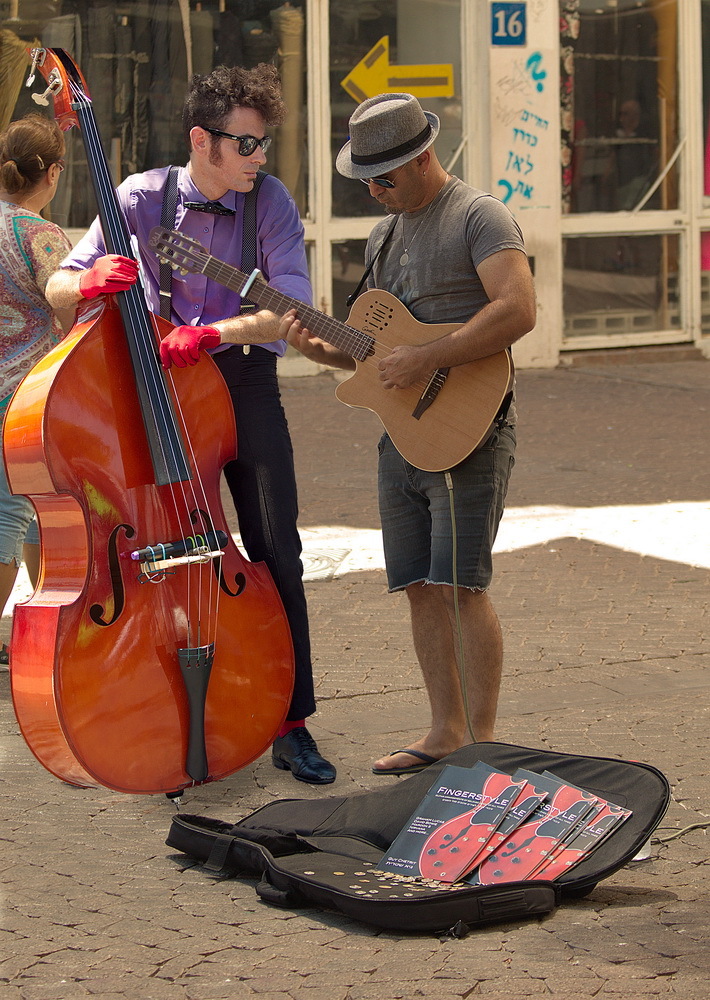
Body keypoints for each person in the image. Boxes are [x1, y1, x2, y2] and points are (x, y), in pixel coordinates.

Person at [44, 64, 336, 785]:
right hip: (159, 389)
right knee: (158, 549)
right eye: (245, 145)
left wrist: (214, 333)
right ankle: (165, 706)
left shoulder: (269, 202)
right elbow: (58, 285)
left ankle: (292, 721)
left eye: (263, 144)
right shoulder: (141, 196)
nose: (259, 158)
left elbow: (289, 310)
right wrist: (86, 283)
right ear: (202, 141)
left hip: (238, 381)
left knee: (275, 547)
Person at [281, 93, 536, 776]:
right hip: (403, 438)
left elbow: (518, 308)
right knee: (421, 586)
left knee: (461, 585)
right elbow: (375, 357)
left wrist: (430, 356)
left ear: (423, 158)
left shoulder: (478, 216)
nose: (373, 190)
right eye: (364, 180)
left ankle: (483, 742)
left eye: (384, 178)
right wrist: (320, 349)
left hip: (472, 430)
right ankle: (444, 731)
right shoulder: (382, 238)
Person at [0, 114, 74, 670]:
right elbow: (66, 304)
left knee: (27, 511)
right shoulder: (40, 235)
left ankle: (40, 618)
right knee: (15, 514)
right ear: (51, 173)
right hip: (21, 401)